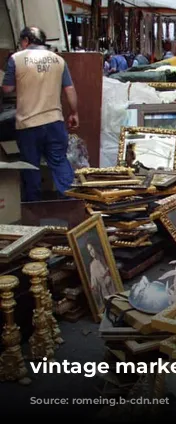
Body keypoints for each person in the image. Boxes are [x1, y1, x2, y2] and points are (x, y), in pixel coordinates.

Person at [2, 27, 78, 202]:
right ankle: (71, 205)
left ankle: (32, 209)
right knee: (59, 162)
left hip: (28, 124)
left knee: (30, 166)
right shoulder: (58, 60)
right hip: (55, 122)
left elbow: (8, 89)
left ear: (26, 40)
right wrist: (74, 113)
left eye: (22, 42)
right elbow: (69, 89)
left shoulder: (16, 59)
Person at [87, 241, 115, 311]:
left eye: (91, 249)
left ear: (95, 247)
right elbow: (93, 282)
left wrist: (108, 276)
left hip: (113, 287)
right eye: (89, 251)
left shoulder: (105, 257)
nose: (91, 252)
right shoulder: (92, 265)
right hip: (104, 291)